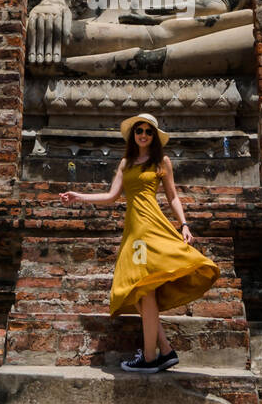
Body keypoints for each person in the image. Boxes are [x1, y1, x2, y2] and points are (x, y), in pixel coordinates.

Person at [59, 113, 219, 373]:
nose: (143, 134)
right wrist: (80, 197)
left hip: (150, 228)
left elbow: (173, 197)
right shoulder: (126, 163)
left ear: (154, 136)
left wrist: (185, 224)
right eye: (139, 131)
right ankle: (165, 351)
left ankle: (148, 357)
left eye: (148, 131)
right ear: (133, 135)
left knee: (143, 289)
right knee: (139, 290)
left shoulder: (161, 161)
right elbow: (111, 196)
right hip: (134, 232)